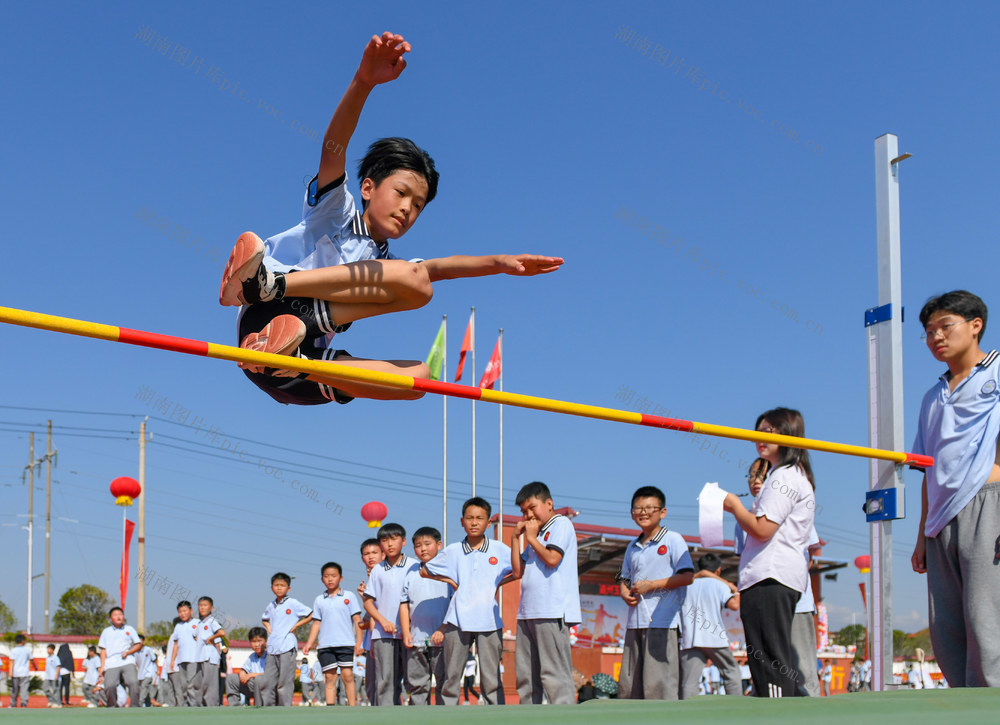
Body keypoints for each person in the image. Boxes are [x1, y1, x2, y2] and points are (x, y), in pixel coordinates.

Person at [218, 31, 562, 407]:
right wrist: (363, 82)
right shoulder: (336, 212)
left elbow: (441, 269)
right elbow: (334, 147)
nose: (407, 210)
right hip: (265, 316)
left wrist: (501, 264)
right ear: (368, 188)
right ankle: (269, 283)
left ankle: (293, 363)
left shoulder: (388, 266)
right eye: (401, 194)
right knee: (414, 279)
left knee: (421, 377)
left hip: (298, 369)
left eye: (418, 206)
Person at [910, 291, 1000, 687]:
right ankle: (965, 703)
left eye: (945, 326)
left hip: (988, 504)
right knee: (947, 626)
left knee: (986, 618)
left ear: (975, 324)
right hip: (940, 520)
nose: (936, 338)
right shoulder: (932, 396)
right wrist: (921, 535)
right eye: (929, 332)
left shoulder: (997, 375)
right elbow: (929, 469)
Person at [723, 407, 816, 698]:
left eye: (770, 431)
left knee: (771, 663)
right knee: (765, 661)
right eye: (758, 430)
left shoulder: (784, 476)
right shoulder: (784, 474)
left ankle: (779, 715)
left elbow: (763, 529)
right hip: (767, 577)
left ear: (789, 435)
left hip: (771, 577)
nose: (760, 437)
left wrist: (733, 505)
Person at [422, 497, 513, 705]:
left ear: (488, 523)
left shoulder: (499, 549)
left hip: (489, 620)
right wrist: (451, 581)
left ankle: (496, 716)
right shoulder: (453, 550)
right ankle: (448, 716)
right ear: (461, 521)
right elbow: (424, 570)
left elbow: (520, 568)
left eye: (480, 518)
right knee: (452, 676)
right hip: (457, 619)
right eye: (469, 518)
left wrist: (499, 582)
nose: (474, 522)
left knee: (491, 678)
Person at [616, 485, 694, 700]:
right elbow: (624, 577)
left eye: (650, 507)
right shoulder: (632, 546)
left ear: (663, 512)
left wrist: (652, 585)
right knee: (630, 688)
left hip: (662, 623)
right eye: (638, 508)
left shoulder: (673, 540)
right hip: (635, 624)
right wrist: (623, 591)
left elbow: (687, 576)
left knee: (658, 687)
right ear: (632, 513)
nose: (643, 512)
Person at [508, 481, 581, 705]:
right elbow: (517, 571)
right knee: (527, 677)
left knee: (555, 676)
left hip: (552, 610)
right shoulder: (535, 535)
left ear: (549, 504)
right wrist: (515, 538)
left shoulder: (560, 525)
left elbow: (552, 559)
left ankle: (565, 717)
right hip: (527, 612)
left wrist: (530, 537)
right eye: (523, 511)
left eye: (532, 508)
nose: (528, 515)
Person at [363, 523, 416, 706]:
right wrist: (382, 621)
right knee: (385, 681)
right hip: (382, 634)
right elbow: (368, 602)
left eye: (394, 539)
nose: (390, 544)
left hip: (410, 634)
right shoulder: (377, 570)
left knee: (412, 679)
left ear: (404, 541)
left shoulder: (415, 566)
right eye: (385, 540)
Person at [399, 526, 452, 705]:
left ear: (439, 544)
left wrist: (443, 628)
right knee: (417, 685)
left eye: (427, 544)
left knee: (445, 683)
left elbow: (456, 603)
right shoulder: (411, 573)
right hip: (416, 640)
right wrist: (406, 632)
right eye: (418, 545)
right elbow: (404, 605)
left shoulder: (449, 571)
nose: (422, 549)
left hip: (443, 640)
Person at [678, 553, 741, 699]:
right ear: (718, 570)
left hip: (691, 638)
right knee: (731, 672)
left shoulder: (687, 586)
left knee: (689, 682)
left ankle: (686, 714)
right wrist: (736, 591)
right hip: (714, 638)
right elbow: (734, 605)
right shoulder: (719, 584)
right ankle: (738, 705)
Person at [303, 561, 364, 706]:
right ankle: (330, 709)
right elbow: (316, 623)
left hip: (346, 643)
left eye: (333, 576)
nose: (330, 579)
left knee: (347, 676)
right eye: (326, 576)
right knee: (329, 678)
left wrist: (359, 642)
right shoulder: (319, 600)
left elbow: (357, 620)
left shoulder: (349, 596)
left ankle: (352, 707)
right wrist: (309, 643)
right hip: (325, 645)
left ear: (340, 578)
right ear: (322, 579)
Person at [261, 572, 313, 706]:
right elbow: (264, 619)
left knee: (284, 682)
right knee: (268, 681)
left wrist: (296, 625)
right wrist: (270, 630)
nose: (279, 588)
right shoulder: (271, 605)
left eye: (282, 585)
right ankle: (269, 709)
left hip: (287, 645)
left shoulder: (292, 603)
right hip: (273, 647)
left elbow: (310, 614)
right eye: (276, 585)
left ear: (288, 588)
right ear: (271, 587)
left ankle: (284, 710)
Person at [98, 606, 143, 707]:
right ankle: (112, 707)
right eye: (115, 615)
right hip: (111, 663)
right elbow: (103, 650)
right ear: (111, 618)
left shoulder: (129, 629)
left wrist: (128, 652)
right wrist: (102, 666)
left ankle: (135, 707)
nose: (118, 617)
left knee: (133, 682)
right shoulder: (106, 631)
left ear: (123, 617)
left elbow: (138, 644)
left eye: (120, 614)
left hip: (127, 661)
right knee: (109, 686)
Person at [358, 538, 384, 706]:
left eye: (375, 553)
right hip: (372, 641)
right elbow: (365, 621)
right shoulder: (368, 585)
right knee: (371, 686)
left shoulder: (390, 579)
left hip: (386, 638)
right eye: (366, 554)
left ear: (383, 554)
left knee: (385, 685)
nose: (371, 557)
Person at [225, 627, 270, 707]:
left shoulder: (270, 656)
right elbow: (243, 669)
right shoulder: (252, 657)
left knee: (258, 680)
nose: (256, 645)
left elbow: (270, 675)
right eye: (253, 641)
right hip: (252, 685)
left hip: (266, 687)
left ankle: (259, 707)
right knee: (231, 678)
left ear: (266, 641)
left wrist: (251, 675)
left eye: (259, 641)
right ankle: (234, 707)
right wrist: (242, 675)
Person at [169, 601, 202, 706]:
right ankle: (185, 706)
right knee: (183, 685)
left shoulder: (197, 623)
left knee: (191, 684)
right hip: (181, 660)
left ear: (191, 611)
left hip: (193, 659)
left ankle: (194, 706)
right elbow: (175, 645)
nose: (182, 614)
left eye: (185, 611)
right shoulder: (178, 626)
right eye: (180, 612)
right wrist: (173, 660)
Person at [195, 596, 226, 706]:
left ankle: (212, 707)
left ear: (211, 608)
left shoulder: (212, 621)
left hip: (210, 657)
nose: (202, 608)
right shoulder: (200, 623)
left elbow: (222, 633)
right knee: (201, 684)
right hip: (201, 657)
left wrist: (211, 638)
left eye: (205, 605)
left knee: (210, 685)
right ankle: (203, 706)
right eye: (200, 605)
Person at [8, 634, 31, 708]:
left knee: (15, 689)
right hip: (24, 673)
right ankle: (24, 703)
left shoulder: (13, 650)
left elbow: (11, 661)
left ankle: (13, 703)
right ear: (23, 641)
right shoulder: (27, 650)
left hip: (15, 672)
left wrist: (10, 672)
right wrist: (35, 666)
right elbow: (32, 659)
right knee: (24, 689)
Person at [43, 643, 61, 708]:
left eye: (49, 649)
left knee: (55, 690)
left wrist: (56, 675)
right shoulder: (47, 658)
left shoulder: (56, 658)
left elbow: (58, 666)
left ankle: (58, 703)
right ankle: (51, 701)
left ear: (53, 650)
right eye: (47, 649)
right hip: (47, 677)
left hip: (54, 677)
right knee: (45, 688)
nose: (48, 650)